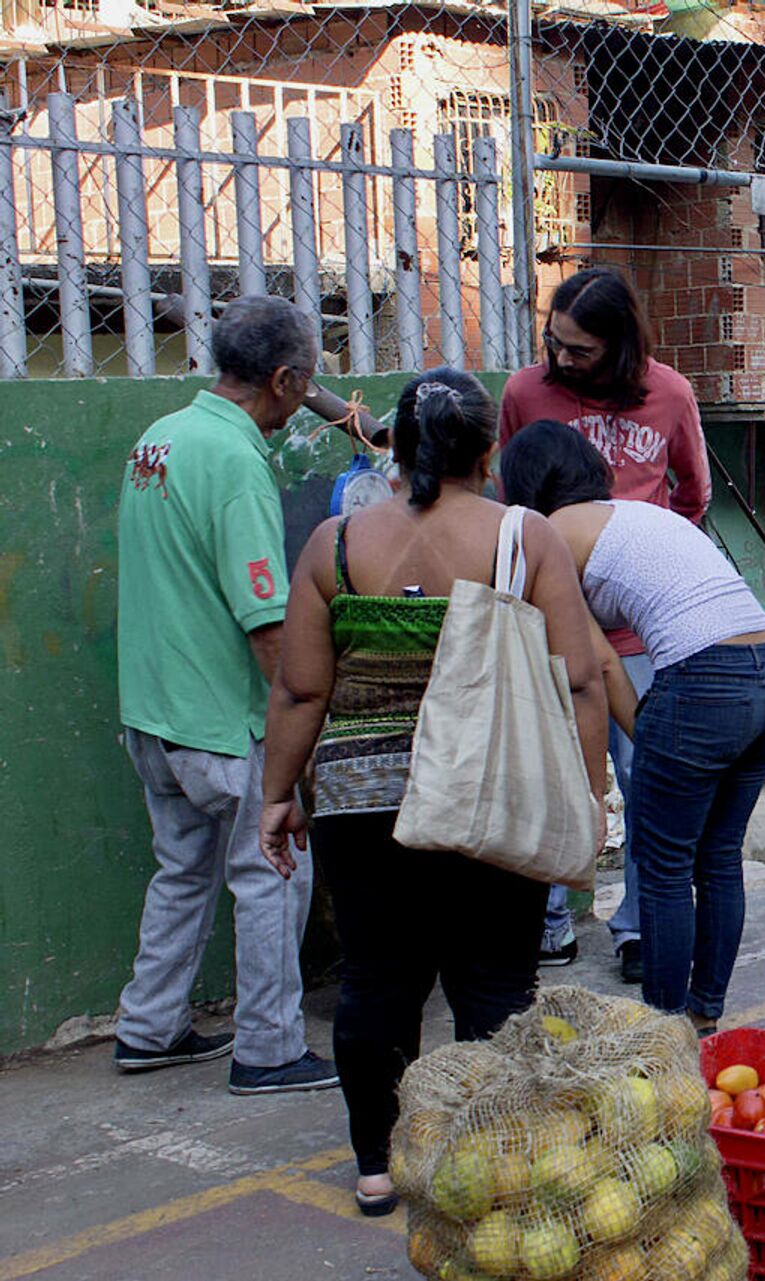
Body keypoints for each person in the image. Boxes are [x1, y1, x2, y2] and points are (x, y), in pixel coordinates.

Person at [261, 369, 607, 1214]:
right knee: (494, 979)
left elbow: (301, 691)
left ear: (397, 449)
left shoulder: (335, 544)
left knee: (377, 979)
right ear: (490, 453)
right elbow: (582, 682)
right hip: (493, 789)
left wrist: (277, 794)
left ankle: (378, 1165)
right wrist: (590, 798)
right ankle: (493, 1153)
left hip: (360, 795)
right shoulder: (525, 537)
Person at [111, 294, 339, 1097]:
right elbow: (268, 625)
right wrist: (300, 736)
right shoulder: (237, 462)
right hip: (220, 719)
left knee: (182, 870)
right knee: (276, 868)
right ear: (281, 379)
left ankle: (150, 1024)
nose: (298, 405)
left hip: (152, 713)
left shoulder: (160, 438)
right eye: (301, 387)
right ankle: (271, 1047)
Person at [500, 421, 765, 1025]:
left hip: (704, 681)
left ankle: (661, 1031)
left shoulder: (548, 532)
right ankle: (703, 1018)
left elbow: (598, 663)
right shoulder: (636, 513)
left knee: (662, 867)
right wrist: (657, 739)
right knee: (717, 858)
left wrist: (639, 748)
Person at [500, 267, 709, 972]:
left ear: (621, 346)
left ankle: (640, 923)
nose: (562, 360)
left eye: (580, 350)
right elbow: (508, 503)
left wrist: (640, 575)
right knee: (546, 771)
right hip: (543, 623)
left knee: (647, 772)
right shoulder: (526, 393)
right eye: (554, 343)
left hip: (636, 633)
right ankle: (547, 918)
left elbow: (693, 495)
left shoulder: (670, 393)